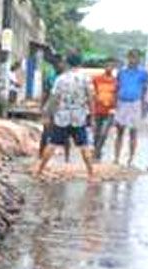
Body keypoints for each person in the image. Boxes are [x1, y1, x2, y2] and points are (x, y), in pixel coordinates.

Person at [36, 51, 96, 181]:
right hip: (79, 116)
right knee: (84, 146)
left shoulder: (60, 79)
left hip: (62, 117)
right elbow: (91, 99)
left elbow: (54, 99)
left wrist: (47, 114)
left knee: (52, 144)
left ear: (67, 63)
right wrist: (92, 116)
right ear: (80, 63)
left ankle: (39, 171)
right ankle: (91, 175)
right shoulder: (85, 79)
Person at [113, 48, 148, 166]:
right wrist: (115, 105)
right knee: (119, 131)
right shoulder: (121, 72)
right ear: (128, 58)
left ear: (139, 59)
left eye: (136, 57)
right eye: (131, 57)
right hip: (122, 103)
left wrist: (144, 108)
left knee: (133, 132)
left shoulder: (143, 73)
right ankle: (116, 158)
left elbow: (144, 91)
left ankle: (131, 159)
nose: (133, 59)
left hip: (135, 104)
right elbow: (116, 88)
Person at [91, 58, 118, 160]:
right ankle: (96, 151)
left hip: (109, 110)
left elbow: (116, 95)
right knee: (96, 133)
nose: (109, 68)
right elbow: (93, 93)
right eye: (107, 65)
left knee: (104, 133)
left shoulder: (116, 81)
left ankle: (97, 152)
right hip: (97, 109)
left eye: (111, 66)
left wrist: (115, 107)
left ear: (114, 68)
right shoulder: (97, 79)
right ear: (104, 67)